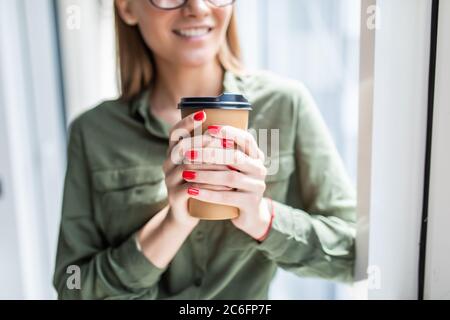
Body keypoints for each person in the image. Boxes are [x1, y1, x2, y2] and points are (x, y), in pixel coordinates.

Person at [53, 0, 356, 299]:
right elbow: (72, 288)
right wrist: (173, 224)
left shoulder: (283, 106)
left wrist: (262, 217)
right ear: (127, 7)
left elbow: (354, 255)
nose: (197, 7)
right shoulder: (94, 133)